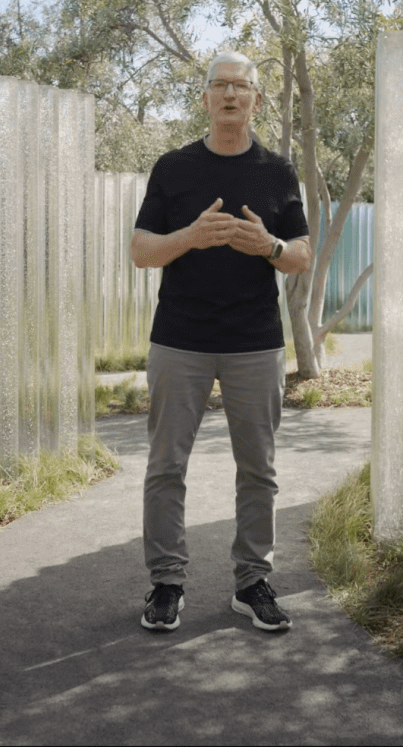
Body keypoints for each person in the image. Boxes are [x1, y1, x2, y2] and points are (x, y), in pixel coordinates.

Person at [129, 51, 312, 632]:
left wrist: (270, 248)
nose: (231, 95)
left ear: (257, 99)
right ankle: (166, 584)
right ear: (205, 98)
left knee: (258, 468)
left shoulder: (278, 172)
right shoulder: (172, 168)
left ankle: (252, 581)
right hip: (179, 339)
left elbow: (301, 255)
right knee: (165, 466)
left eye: (242, 86)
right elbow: (140, 251)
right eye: (220, 86)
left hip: (255, 342)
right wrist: (190, 236)